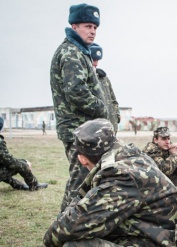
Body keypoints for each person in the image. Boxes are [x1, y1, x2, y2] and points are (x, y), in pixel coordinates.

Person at [43, 119, 177, 246]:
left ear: (82, 159)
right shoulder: (132, 156)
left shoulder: (120, 176)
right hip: (150, 234)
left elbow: (66, 229)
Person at [50, 3, 108, 212]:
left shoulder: (79, 51)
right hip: (77, 129)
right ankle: (63, 226)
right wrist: (102, 110)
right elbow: (75, 91)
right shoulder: (71, 52)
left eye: (95, 27)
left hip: (83, 128)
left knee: (87, 178)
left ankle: (75, 222)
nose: (92, 31)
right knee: (80, 181)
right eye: (87, 26)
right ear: (74, 26)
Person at [0, 115, 48, 192]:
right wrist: (25, 162)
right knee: (22, 165)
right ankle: (34, 185)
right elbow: (10, 162)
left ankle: (18, 185)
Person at [89, 43, 121, 134]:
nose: (96, 63)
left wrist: (116, 116)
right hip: (95, 131)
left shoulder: (104, 78)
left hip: (111, 128)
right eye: (93, 59)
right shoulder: (84, 79)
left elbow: (113, 100)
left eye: (97, 60)